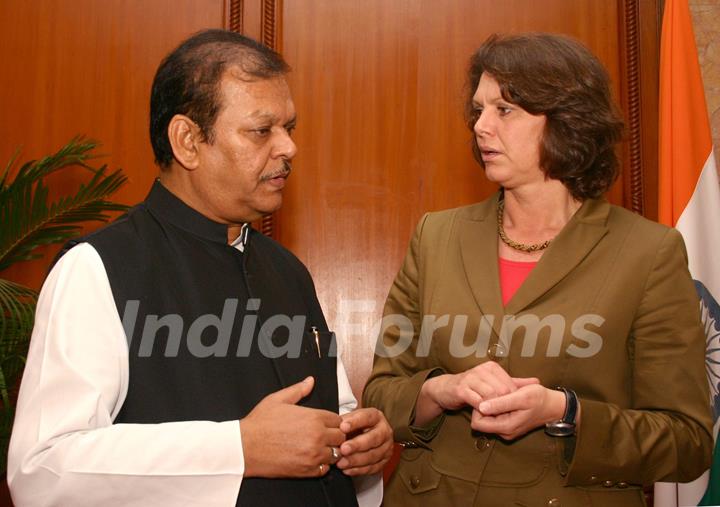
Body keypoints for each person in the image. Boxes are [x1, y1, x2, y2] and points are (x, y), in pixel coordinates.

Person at [8, 29, 392, 507]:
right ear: (187, 141)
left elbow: (331, 417)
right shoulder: (96, 269)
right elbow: (42, 470)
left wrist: (361, 446)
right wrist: (237, 449)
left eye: (289, 128)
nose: (289, 148)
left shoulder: (289, 271)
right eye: (262, 130)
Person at [363, 32, 713, 506]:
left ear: (568, 122)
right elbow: (381, 394)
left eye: (504, 110)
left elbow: (686, 441)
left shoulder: (649, 253)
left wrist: (563, 410)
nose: (481, 127)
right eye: (479, 110)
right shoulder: (435, 236)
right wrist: (442, 389)